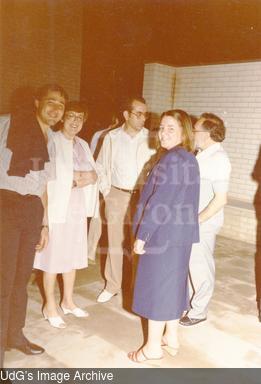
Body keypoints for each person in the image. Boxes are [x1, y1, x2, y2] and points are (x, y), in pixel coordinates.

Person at [0, 84, 67, 367]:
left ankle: (14, 335)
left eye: (61, 105)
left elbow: (43, 186)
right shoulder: (6, 124)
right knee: (3, 280)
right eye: (51, 102)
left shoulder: (51, 138)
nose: (56, 109)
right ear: (37, 101)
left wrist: (44, 225)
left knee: (21, 278)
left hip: (31, 210)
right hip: (5, 203)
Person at [128, 109, 200, 363]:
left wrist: (143, 234)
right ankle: (171, 338)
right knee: (172, 287)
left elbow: (162, 199)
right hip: (178, 237)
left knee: (158, 290)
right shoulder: (187, 158)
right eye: (161, 128)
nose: (163, 133)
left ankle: (152, 347)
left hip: (162, 235)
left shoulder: (173, 159)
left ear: (184, 133)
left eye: (171, 128)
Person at [33, 101, 99, 328]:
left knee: (72, 256)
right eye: (71, 116)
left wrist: (78, 178)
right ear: (63, 118)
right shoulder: (52, 140)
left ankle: (68, 301)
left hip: (77, 208)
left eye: (80, 118)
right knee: (53, 258)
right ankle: (49, 305)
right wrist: (75, 179)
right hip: (57, 208)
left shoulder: (82, 144)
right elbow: (50, 176)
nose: (75, 122)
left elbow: (94, 174)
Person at [96, 96, 156, 303]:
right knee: (114, 241)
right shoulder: (111, 137)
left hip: (142, 197)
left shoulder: (152, 138)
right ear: (126, 115)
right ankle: (112, 285)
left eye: (145, 114)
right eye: (138, 113)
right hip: (117, 195)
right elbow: (101, 166)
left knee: (139, 242)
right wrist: (107, 192)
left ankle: (137, 287)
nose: (143, 118)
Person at [180, 113, 231, 326]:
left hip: (203, 224)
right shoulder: (201, 155)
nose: (193, 133)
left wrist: (197, 220)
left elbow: (221, 199)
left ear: (208, 133)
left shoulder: (219, 159)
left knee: (201, 267)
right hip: (193, 221)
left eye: (196, 130)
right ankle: (192, 304)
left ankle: (199, 311)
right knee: (192, 265)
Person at [88, 113, 119, 263]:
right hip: (101, 180)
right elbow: (96, 159)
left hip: (107, 182)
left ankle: (90, 251)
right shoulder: (106, 136)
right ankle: (90, 251)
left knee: (99, 217)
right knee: (98, 216)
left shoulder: (100, 134)